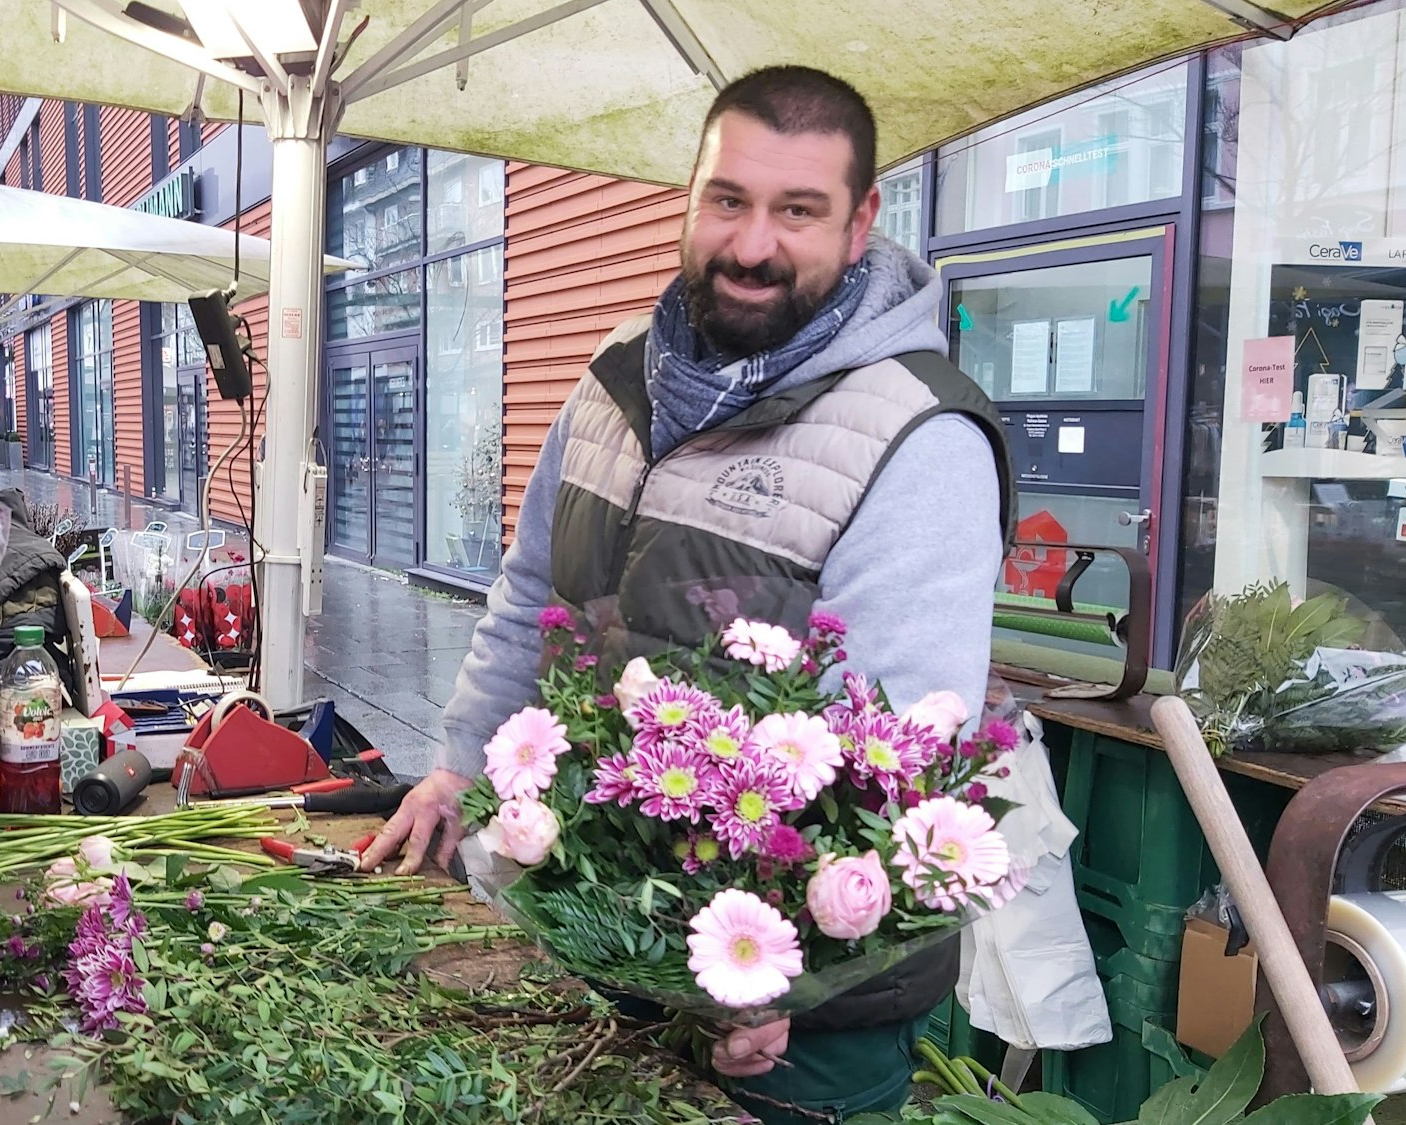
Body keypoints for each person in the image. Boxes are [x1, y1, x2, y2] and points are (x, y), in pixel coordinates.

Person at [359, 66, 1014, 1122]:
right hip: (595, 934)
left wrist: (774, 981)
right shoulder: (618, 375)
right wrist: (452, 774)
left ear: (859, 225)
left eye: (796, 211)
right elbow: (530, 599)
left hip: (794, 1023)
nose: (751, 245)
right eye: (728, 200)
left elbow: (897, 763)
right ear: (691, 195)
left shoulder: (916, 440)